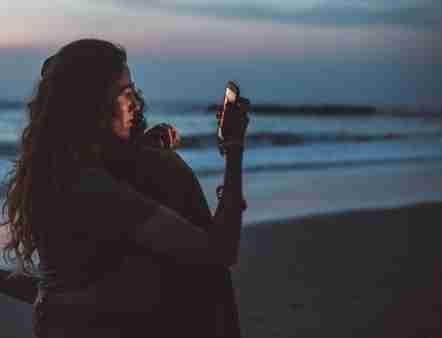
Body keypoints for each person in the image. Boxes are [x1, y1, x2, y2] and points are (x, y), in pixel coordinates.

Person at [0, 38, 249, 337]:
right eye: (124, 92)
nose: (136, 102)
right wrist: (234, 150)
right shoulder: (92, 187)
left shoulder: (54, 171)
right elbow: (219, 251)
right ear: (92, 103)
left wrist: (147, 147)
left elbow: (59, 288)